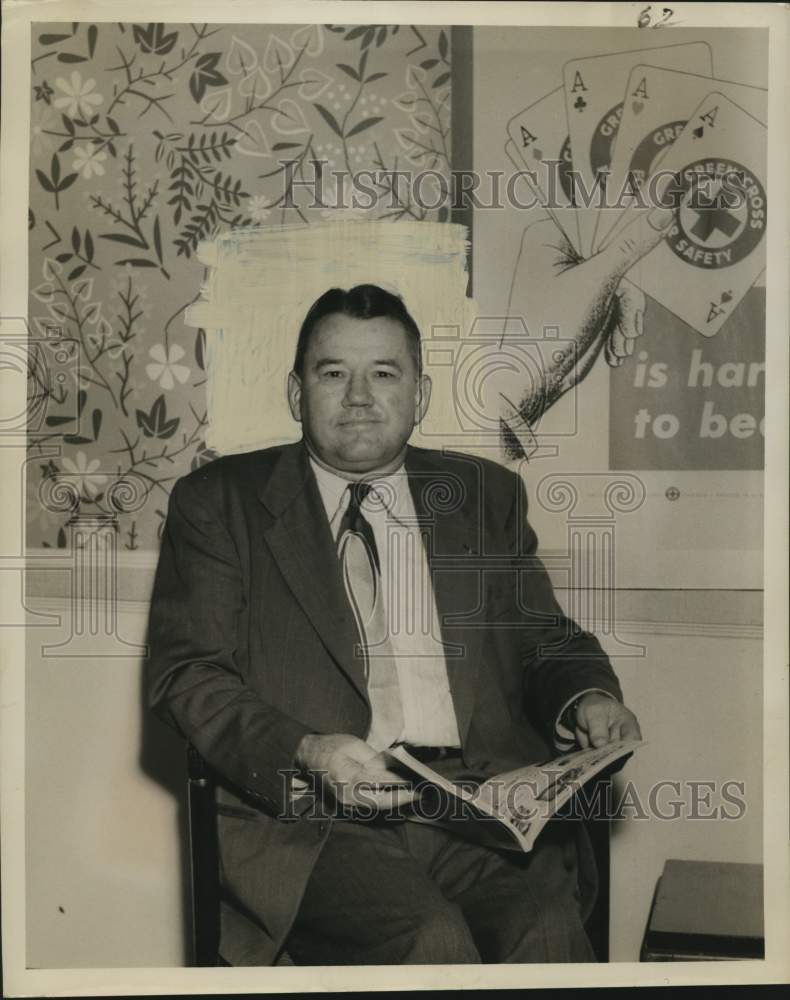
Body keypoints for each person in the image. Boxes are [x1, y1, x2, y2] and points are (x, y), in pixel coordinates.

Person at [147, 278, 644, 967]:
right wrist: (309, 751)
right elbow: (188, 675)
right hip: (317, 824)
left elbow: (544, 638)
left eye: (384, 373)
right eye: (332, 373)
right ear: (297, 394)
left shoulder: (483, 497)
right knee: (428, 940)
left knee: (549, 935)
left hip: (476, 813)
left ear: (420, 395)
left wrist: (586, 693)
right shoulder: (219, 505)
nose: (358, 396)